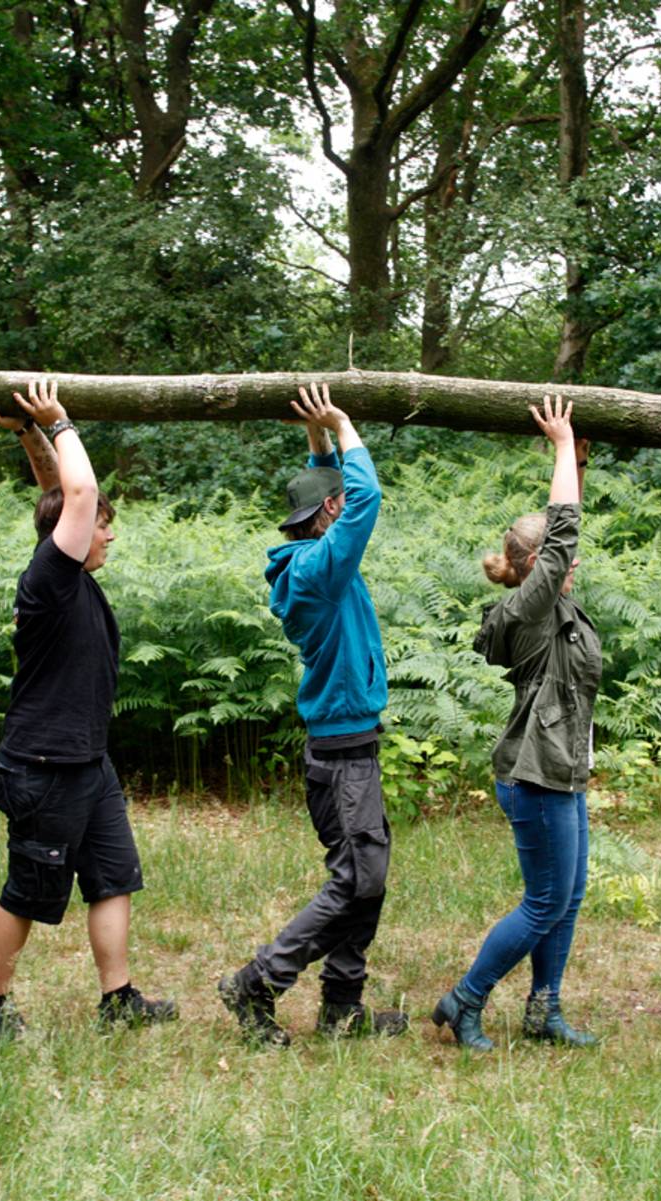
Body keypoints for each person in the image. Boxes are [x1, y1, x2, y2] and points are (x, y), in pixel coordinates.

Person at [0, 379, 176, 1042]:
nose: (107, 536)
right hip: (43, 766)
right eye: (101, 528)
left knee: (112, 876)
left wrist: (29, 433)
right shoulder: (48, 580)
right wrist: (60, 418)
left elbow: (62, 493)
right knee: (28, 892)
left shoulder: (74, 577)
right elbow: (80, 496)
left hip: (88, 763)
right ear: (76, 534)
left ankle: (117, 996)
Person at [217, 382, 406, 1046]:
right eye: (339, 504)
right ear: (328, 512)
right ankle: (258, 982)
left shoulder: (311, 558)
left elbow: (343, 501)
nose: (347, 509)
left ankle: (342, 1005)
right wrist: (348, 421)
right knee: (358, 877)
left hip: (348, 747)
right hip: (344, 754)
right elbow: (368, 499)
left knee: (367, 880)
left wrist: (319, 438)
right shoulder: (318, 570)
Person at [431, 396, 600, 1052]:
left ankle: (543, 1012)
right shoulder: (528, 608)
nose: (576, 562)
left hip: (564, 767)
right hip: (535, 772)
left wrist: (575, 463)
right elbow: (562, 539)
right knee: (544, 902)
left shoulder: (554, 600)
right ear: (537, 568)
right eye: (563, 558)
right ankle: (463, 998)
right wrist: (558, 444)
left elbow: (563, 541)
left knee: (569, 896)